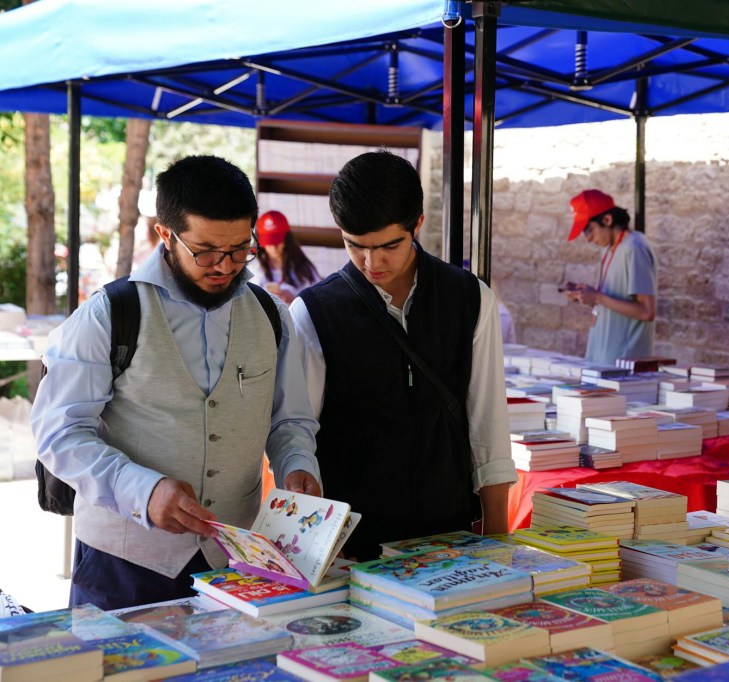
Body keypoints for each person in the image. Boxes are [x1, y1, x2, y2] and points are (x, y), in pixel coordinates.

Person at [30, 155, 322, 611]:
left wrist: (298, 464)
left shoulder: (271, 316)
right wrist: (142, 490)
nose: (225, 266)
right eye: (205, 251)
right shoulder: (109, 314)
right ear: (165, 234)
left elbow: (290, 422)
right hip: (121, 564)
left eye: (240, 249)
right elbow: (58, 433)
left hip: (234, 559)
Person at [291, 150, 516, 561]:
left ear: (418, 224)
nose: (371, 262)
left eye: (389, 246)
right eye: (354, 245)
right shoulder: (313, 312)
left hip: (449, 538)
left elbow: (488, 426)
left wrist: (498, 542)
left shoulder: (470, 299)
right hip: (352, 546)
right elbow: (297, 434)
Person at [564, 189, 657, 365]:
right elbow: (611, 300)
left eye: (589, 230)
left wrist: (598, 297)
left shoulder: (635, 247)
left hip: (623, 366)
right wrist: (585, 295)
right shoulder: (608, 249)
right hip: (600, 361)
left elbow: (647, 311)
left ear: (607, 219)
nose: (588, 238)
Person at [249, 210, 322, 305]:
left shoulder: (304, 269)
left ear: (287, 239)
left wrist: (295, 300)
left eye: (277, 240)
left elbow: (319, 300)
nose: (274, 247)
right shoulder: (254, 269)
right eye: (269, 242)